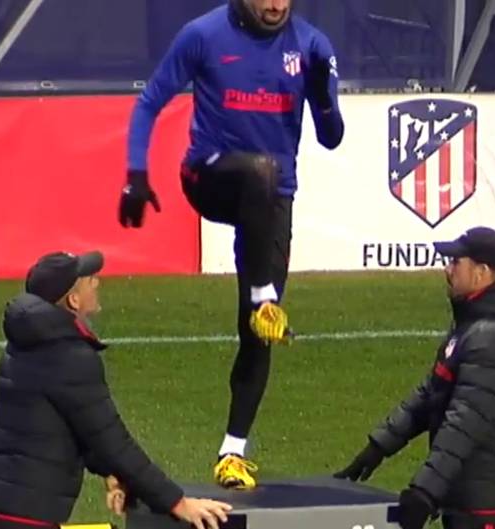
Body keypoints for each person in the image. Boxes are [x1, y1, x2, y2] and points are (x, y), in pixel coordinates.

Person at [119, 0, 344, 489]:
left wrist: (324, 96)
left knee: (258, 332)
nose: (275, 5)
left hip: (271, 199)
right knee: (259, 170)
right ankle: (264, 293)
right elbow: (150, 101)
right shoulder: (202, 35)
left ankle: (232, 452)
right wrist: (136, 174)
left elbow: (331, 138)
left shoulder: (310, 45)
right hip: (209, 174)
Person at [0, 251, 232, 529]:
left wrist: (111, 473)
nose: (97, 283)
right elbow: (113, 441)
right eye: (89, 279)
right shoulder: (69, 356)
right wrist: (179, 503)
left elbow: (70, 428)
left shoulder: (25, 343)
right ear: (73, 300)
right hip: (26, 522)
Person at [336, 227, 495, 529]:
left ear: (481, 273)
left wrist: (424, 492)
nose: (447, 268)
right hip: (470, 497)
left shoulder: (492, 338)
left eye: (456, 262)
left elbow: (464, 424)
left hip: (486, 507)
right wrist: (379, 447)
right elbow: (431, 393)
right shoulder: (474, 325)